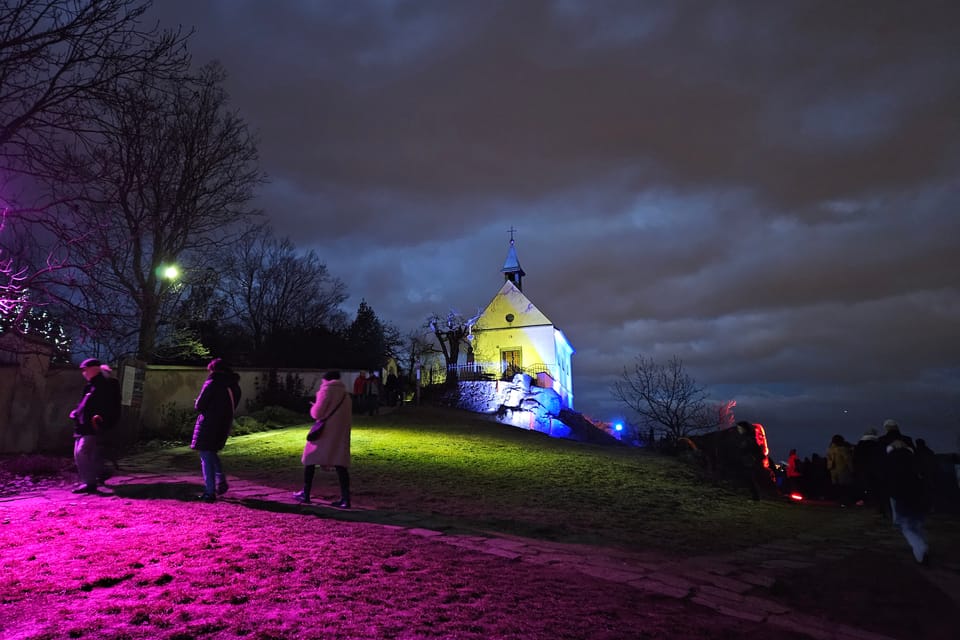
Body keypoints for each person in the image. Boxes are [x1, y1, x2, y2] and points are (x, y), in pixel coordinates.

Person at [294, 370, 352, 508]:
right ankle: (345, 498)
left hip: (324, 433)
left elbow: (317, 413)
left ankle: (306, 493)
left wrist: (313, 407)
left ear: (325, 380)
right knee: (340, 465)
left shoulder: (325, 390)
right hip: (339, 434)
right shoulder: (346, 395)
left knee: (310, 460)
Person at [191, 358, 241, 502]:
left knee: (205, 455)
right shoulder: (234, 386)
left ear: (214, 369)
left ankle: (209, 491)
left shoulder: (212, 383)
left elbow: (200, 405)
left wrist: (198, 402)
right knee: (211, 452)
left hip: (208, 423)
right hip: (224, 424)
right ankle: (221, 479)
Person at [68, 358, 122, 494]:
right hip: (83, 425)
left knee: (82, 452)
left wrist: (103, 421)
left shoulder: (105, 385)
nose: (83, 372)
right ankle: (97, 475)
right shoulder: (90, 385)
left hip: (93, 425)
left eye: (85, 369)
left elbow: (110, 405)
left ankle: (90, 483)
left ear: (93, 369)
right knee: (82, 453)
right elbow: (84, 404)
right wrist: (76, 413)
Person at [882, 420, 929, 564]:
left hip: (896, 488)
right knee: (916, 520)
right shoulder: (908, 442)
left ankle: (919, 547)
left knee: (904, 522)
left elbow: (881, 468)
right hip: (915, 487)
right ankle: (921, 542)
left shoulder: (883, 444)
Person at [853, 427, 884, 509]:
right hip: (875, 468)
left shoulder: (860, 445)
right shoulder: (878, 444)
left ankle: (865, 500)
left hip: (862, 468)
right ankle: (876, 501)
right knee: (875, 486)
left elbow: (855, 458)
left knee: (864, 485)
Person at [826, 434, 855, 506]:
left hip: (833, 471)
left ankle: (838, 501)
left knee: (837, 487)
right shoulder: (843, 449)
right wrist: (852, 469)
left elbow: (829, 460)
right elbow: (848, 460)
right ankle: (845, 502)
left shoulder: (830, 449)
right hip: (843, 470)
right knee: (845, 487)